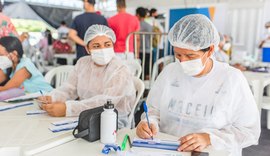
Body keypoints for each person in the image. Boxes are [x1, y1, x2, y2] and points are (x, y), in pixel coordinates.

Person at [136, 14, 260, 156]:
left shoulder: (231, 79)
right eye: (178, 55)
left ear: (210, 50)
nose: (182, 62)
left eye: (190, 56)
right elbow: (153, 109)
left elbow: (249, 131)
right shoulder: (170, 72)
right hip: (168, 149)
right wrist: (149, 122)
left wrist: (209, 138)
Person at [39, 25, 136, 128]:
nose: (103, 50)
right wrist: (52, 97)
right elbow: (69, 88)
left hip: (112, 121)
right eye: (96, 46)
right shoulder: (82, 63)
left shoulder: (120, 69)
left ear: (113, 45)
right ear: (87, 48)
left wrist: (68, 109)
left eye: (107, 45)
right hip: (83, 116)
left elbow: (106, 102)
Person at [136, 7, 153, 79]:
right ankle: (148, 88)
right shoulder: (149, 26)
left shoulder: (137, 25)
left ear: (138, 15)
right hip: (148, 50)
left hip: (139, 51)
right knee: (147, 70)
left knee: (138, 70)